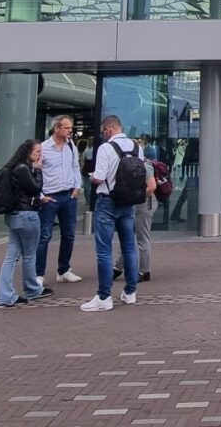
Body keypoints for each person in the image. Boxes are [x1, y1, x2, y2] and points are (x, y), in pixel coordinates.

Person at [81, 115, 142, 312]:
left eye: (103, 131)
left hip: (107, 201)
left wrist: (91, 177)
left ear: (109, 128)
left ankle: (104, 296)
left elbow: (99, 178)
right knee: (129, 247)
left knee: (104, 250)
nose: (103, 135)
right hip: (129, 202)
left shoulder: (106, 148)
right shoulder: (136, 147)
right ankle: (131, 292)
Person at [0, 140, 56, 308]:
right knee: (29, 254)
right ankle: (31, 289)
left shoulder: (14, 168)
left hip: (15, 215)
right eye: (37, 151)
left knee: (12, 254)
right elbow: (36, 188)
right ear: (28, 152)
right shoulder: (24, 169)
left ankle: (6, 294)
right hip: (26, 215)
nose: (39, 155)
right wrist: (38, 170)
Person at [36, 115, 83, 286]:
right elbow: (36, 172)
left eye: (70, 128)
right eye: (67, 127)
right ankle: (38, 273)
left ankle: (63, 270)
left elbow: (75, 166)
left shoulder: (71, 145)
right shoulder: (43, 148)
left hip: (68, 195)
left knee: (69, 234)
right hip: (50, 196)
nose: (70, 130)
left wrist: (77, 186)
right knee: (44, 235)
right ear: (56, 129)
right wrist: (41, 195)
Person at [114, 158, 157, 282]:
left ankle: (144, 270)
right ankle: (118, 267)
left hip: (143, 204)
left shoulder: (144, 165)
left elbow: (152, 186)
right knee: (128, 236)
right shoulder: (133, 164)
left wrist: (137, 198)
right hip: (136, 202)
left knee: (142, 237)